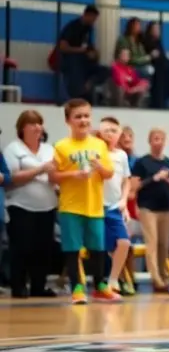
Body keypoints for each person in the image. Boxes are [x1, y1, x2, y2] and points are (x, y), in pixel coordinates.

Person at [49, 99, 114, 304]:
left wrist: (100, 168)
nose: (83, 120)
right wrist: (74, 174)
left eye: (86, 115)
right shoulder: (61, 146)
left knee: (97, 248)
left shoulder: (100, 144)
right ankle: (77, 287)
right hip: (70, 206)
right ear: (69, 121)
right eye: (78, 116)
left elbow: (109, 173)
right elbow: (53, 177)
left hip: (94, 205)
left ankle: (100, 286)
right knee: (72, 248)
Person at [4, 110, 58, 298]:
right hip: (21, 206)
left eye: (39, 123)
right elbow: (11, 178)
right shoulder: (13, 149)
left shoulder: (49, 149)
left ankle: (39, 286)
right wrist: (40, 170)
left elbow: (54, 175)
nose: (37, 128)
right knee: (21, 248)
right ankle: (18, 286)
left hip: (47, 206)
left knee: (43, 248)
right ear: (22, 128)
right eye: (32, 124)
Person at [131, 129, 169, 291]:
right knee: (152, 243)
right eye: (156, 139)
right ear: (150, 141)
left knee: (164, 244)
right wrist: (154, 178)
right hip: (148, 207)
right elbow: (135, 186)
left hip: (166, 207)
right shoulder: (142, 162)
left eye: (162, 139)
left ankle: (164, 275)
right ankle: (156, 278)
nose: (159, 142)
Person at [98, 117, 132, 296]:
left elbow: (126, 181)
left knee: (124, 242)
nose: (110, 134)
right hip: (96, 207)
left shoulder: (122, 155)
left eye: (114, 130)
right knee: (101, 247)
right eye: (106, 130)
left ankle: (113, 279)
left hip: (114, 207)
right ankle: (99, 282)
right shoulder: (95, 152)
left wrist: (124, 201)